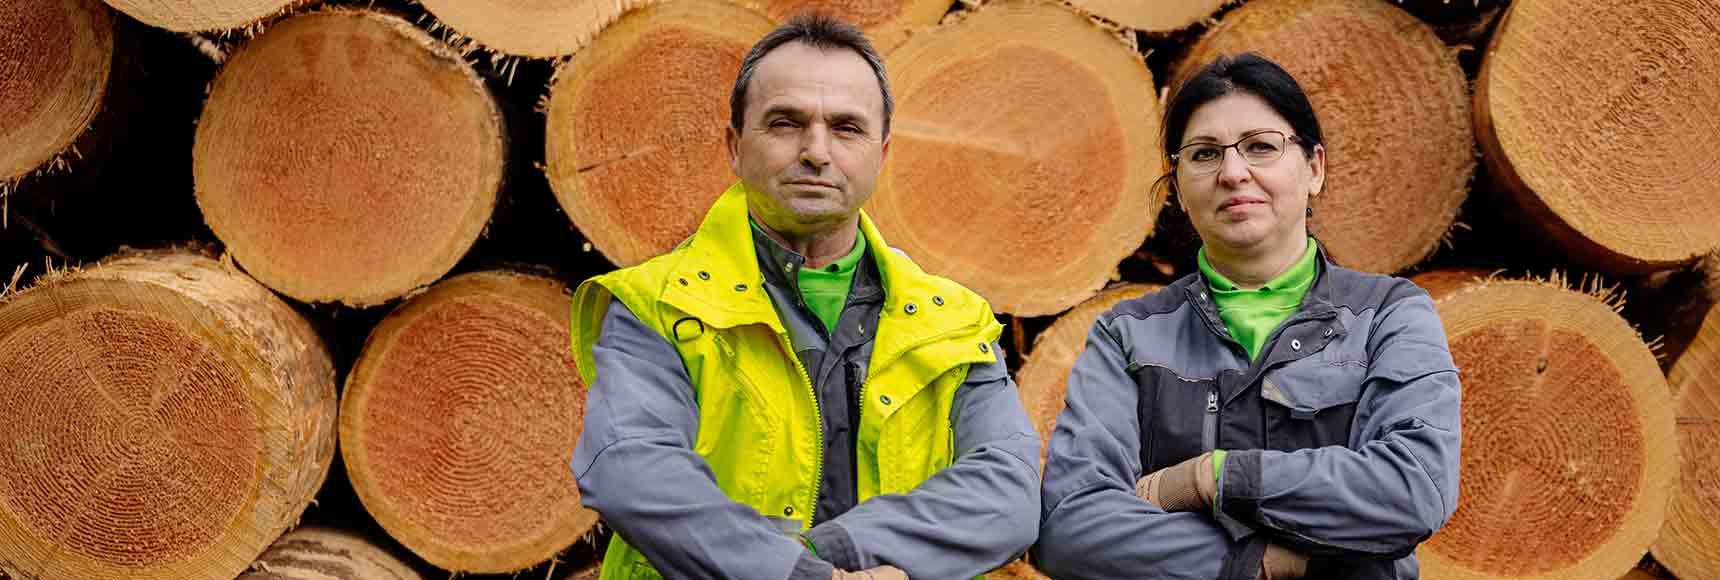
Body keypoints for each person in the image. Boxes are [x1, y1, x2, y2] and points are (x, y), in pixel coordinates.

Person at [568, 13, 1042, 580]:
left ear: (882, 155)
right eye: (786, 123)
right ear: (734, 146)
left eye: (846, 128)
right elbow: (631, 471)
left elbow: (1008, 494)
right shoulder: (656, 304)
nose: (817, 151)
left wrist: (827, 553)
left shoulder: (956, 321)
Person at [1034, 52, 1462, 579]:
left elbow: (1414, 490)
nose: (1234, 173)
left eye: (1261, 147)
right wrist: (1257, 562)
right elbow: (1069, 527)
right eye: (1205, 154)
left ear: (1315, 169)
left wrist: (1211, 478)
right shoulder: (1129, 336)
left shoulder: (1388, 317)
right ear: (1178, 190)